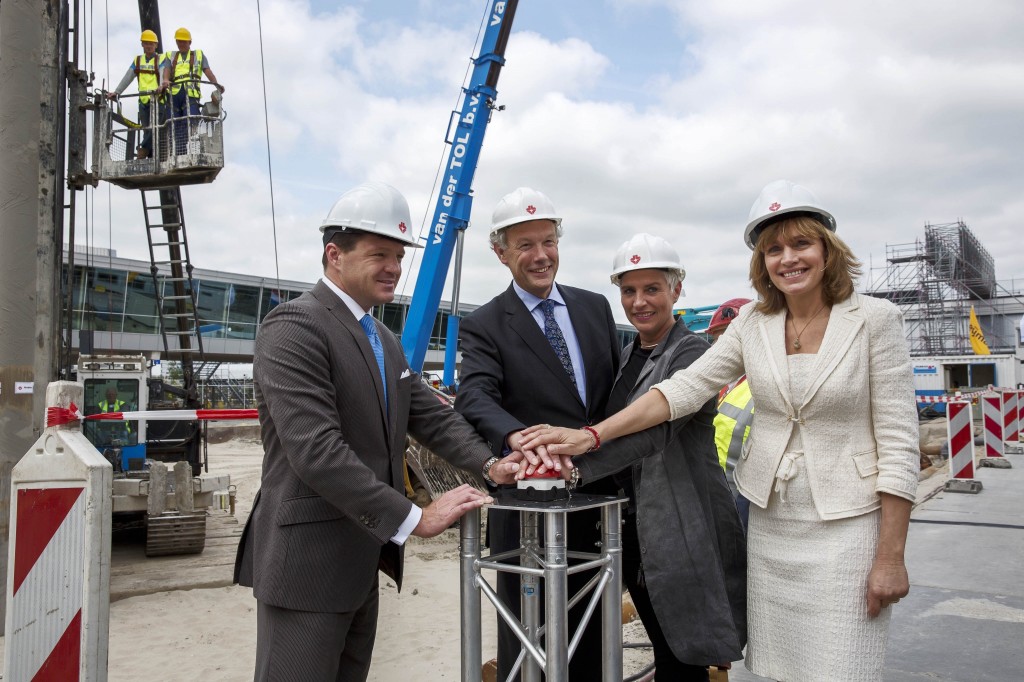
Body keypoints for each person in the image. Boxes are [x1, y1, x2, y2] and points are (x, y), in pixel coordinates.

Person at [522, 180, 920, 681]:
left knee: (843, 664)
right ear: (761, 261)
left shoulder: (875, 320)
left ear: (827, 249)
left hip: (847, 525)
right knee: (778, 667)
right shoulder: (754, 322)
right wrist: (592, 435)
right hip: (772, 523)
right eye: (773, 248)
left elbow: (901, 446)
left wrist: (891, 558)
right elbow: (684, 389)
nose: (788, 259)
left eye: (801, 244)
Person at [233, 181, 522, 681]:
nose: (393, 267)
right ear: (334, 255)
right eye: (379, 254)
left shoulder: (381, 336)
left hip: (360, 555)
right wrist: (413, 517)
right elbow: (316, 450)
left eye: (399, 255)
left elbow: (428, 415)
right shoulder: (294, 326)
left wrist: (490, 463)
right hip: (309, 563)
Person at [454, 187, 620, 681]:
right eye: (525, 245)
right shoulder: (485, 323)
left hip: (597, 496)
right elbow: (475, 396)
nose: (541, 255)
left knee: (595, 628)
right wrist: (519, 439)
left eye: (548, 241)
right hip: (527, 503)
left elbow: (610, 397)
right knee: (526, 635)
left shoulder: (594, 308)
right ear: (499, 252)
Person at [597, 233, 747, 678]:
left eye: (652, 289)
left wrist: (574, 462)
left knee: (682, 656)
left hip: (677, 524)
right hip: (630, 524)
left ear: (676, 290)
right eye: (629, 290)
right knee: (666, 648)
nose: (639, 302)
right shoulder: (628, 355)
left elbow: (654, 434)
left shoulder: (690, 353)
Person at [707, 297, 754, 529]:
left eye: (732, 337)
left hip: (748, 505)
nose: (723, 347)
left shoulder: (764, 387)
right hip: (719, 497)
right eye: (717, 339)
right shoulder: (721, 385)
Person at [159, 27, 224, 154]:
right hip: (174, 94)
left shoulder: (198, 55)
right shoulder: (171, 55)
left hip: (190, 93)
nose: (181, 44)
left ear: (190, 42)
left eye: (184, 41)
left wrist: (217, 85)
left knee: (190, 122)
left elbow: (207, 71)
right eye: (179, 41)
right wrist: (165, 80)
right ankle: (176, 152)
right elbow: (166, 70)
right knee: (173, 123)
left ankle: (182, 149)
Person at [107, 29, 167, 159]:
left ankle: (143, 150)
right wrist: (117, 92)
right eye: (146, 43)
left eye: (151, 44)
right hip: (143, 101)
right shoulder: (138, 61)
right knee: (146, 130)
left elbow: (163, 74)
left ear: (156, 45)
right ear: (142, 45)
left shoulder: (160, 59)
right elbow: (128, 77)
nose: (149, 46)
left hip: (157, 100)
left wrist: (161, 86)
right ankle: (150, 156)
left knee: (154, 127)